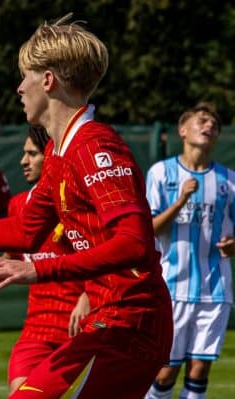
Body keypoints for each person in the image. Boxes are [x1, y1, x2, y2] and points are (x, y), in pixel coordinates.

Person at [0, 14, 173, 399]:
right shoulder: (59, 152)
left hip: (132, 323)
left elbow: (134, 245)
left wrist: (38, 268)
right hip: (107, 319)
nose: (19, 88)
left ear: (48, 80)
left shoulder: (96, 148)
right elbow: (24, 230)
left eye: (25, 76)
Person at [0, 125, 89, 396]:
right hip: (36, 331)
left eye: (32, 154)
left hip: (79, 330)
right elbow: (10, 267)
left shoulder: (77, 202)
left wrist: (88, 297)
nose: (23, 161)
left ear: (52, 156)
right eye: (23, 154)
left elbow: (110, 257)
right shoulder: (18, 205)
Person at [144, 102, 235, 399]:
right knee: (165, 370)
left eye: (215, 125)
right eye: (202, 121)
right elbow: (150, 228)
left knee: (199, 368)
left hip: (215, 287)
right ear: (183, 131)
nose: (209, 126)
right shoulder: (161, 172)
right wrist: (180, 201)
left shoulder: (228, 180)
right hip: (171, 286)